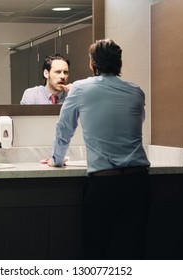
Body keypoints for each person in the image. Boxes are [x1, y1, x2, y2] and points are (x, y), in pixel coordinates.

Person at [48, 39, 151, 259]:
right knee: (134, 248)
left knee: (96, 249)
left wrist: (56, 159)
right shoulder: (136, 92)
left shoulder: (80, 89)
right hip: (138, 180)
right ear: (119, 63)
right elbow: (135, 125)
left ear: (92, 64)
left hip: (105, 182)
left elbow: (64, 129)